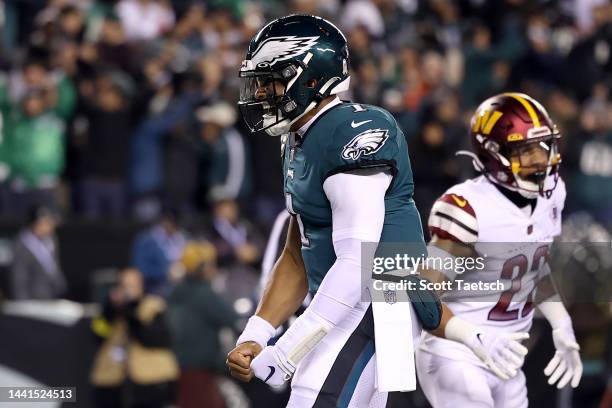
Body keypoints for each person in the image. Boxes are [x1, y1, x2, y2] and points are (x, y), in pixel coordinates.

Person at [227, 15, 531, 407]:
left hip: (377, 306)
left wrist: (286, 351)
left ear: (311, 77)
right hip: (340, 310)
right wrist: (256, 332)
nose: (262, 92)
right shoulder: (296, 141)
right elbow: (297, 256)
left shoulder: (354, 130)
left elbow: (359, 261)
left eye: (272, 80)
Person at [415, 93, 583, 407]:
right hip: (457, 353)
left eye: (543, 146)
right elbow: (424, 295)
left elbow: (532, 270)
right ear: (494, 153)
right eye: (526, 150)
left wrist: (562, 324)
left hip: (508, 359)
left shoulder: (552, 194)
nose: (539, 159)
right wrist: (473, 337)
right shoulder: (468, 207)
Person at [90, 267, 178, 408]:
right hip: (114, 380)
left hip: (149, 381)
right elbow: (97, 336)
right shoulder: (112, 308)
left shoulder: (153, 305)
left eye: (132, 285)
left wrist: (129, 312)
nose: (128, 291)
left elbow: (155, 339)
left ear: (141, 285)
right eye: (124, 285)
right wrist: (109, 310)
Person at [167, 241, 239, 408]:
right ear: (202, 267)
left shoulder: (175, 291)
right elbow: (233, 319)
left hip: (180, 366)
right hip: (201, 368)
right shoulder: (204, 294)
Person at [10, 206, 66, 300]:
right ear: (35, 224)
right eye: (45, 223)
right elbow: (19, 278)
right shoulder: (22, 245)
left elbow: (54, 266)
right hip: (32, 298)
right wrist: (23, 302)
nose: (50, 226)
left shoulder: (51, 240)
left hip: (51, 295)